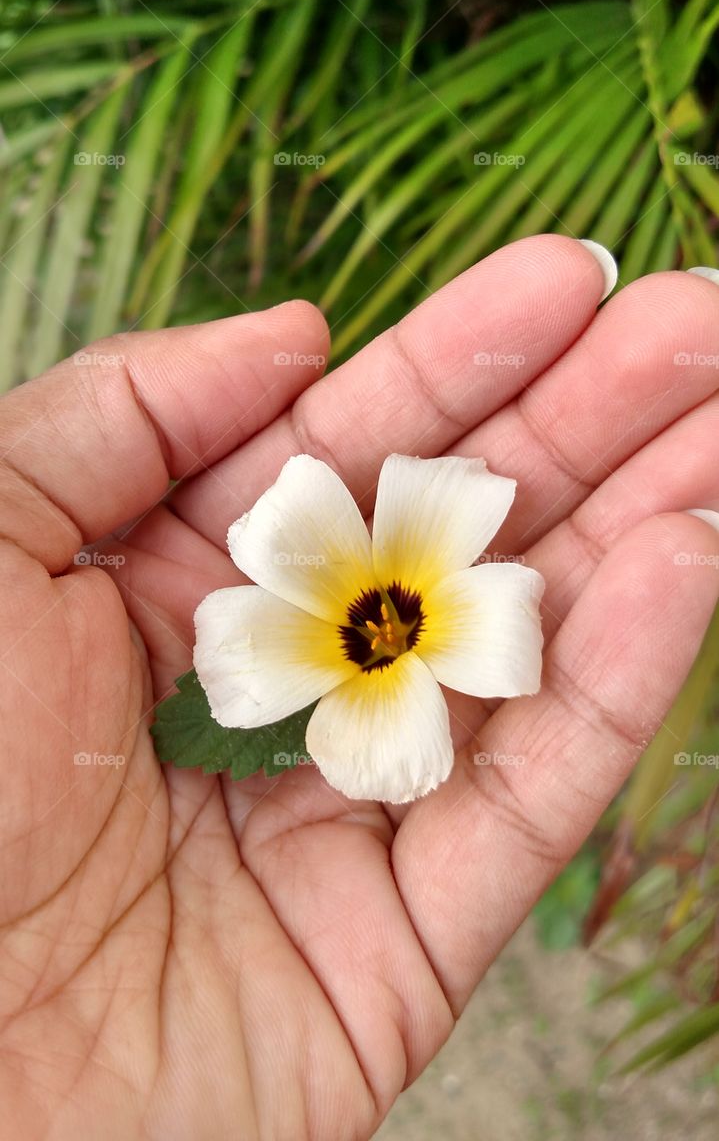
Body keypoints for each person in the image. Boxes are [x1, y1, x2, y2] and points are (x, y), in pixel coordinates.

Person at [0, 234, 717, 1140]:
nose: (384, 634)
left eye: (384, 631)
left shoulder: (414, 570)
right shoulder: (316, 607)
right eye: (380, 633)